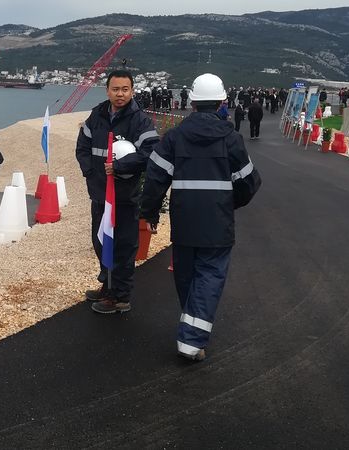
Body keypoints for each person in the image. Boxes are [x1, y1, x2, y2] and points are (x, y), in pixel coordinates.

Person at [140, 72, 261, 362]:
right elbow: (250, 183)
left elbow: (155, 177)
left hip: (184, 222)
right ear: (222, 102)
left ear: (192, 103)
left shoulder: (174, 137)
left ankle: (190, 325)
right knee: (209, 277)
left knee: (187, 276)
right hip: (217, 224)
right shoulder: (231, 139)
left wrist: (150, 213)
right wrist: (230, 203)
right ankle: (191, 341)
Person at [76, 69, 159, 314]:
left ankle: (120, 296)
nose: (120, 94)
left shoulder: (140, 120)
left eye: (125, 89)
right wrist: (90, 173)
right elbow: (83, 147)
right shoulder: (97, 115)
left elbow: (150, 153)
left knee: (122, 246)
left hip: (124, 197)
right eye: (115, 89)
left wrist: (120, 167)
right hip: (100, 194)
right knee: (101, 241)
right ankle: (107, 285)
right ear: (107, 90)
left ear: (132, 91)